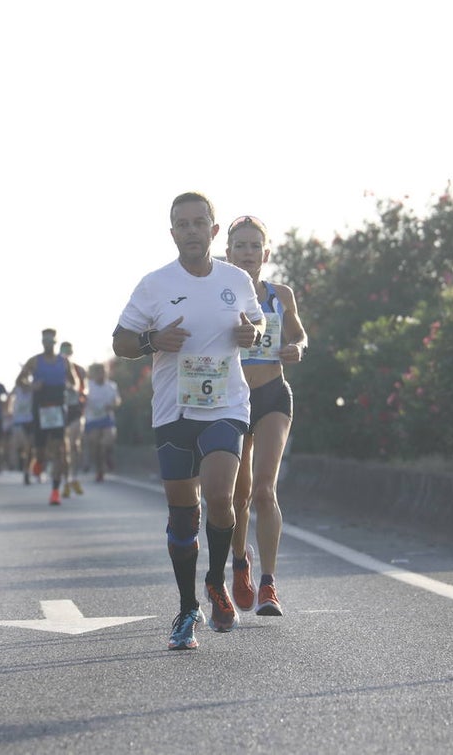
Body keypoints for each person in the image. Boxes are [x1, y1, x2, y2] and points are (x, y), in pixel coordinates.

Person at [112, 191, 263, 650]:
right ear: (173, 232)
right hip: (173, 411)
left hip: (226, 406)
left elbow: (256, 328)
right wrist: (152, 339)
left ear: (214, 232)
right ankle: (186, 608)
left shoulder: (237, 279)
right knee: (182, 518)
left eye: (201, 223)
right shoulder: (154, 284)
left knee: (220, 497)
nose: (192, 230)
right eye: (183, 223)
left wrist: (251, 334)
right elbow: (120, 342)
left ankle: (215, 583)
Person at [225, 215, 309, 617]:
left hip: (274, 393)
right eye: (240, 246)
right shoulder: (217, 294)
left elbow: (298, 334)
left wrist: (298, 348)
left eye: (254, 246)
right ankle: (240, 562)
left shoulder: (280, 294)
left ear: (266, 253)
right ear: (227, 253)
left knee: (263, 491)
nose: (247, 253)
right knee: (238, 496)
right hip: (232, 399)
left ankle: (269, 585)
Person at [17, 328, 80, 505]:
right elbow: (19, 381)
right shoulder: (34, 362)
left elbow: (74, 382)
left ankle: (55, 491)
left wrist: (70, 387)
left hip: (58, 408)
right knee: (41, 452)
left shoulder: (64, 362)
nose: (48, 344)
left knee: (60, 450)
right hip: (40, 409)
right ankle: (39, 462)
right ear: (42, 342)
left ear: (55, 342)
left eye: (51, 341)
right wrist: (31, 386)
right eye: (45, 341)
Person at [83, 362, 121, 482]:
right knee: (95, 446)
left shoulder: (111, 386)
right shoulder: (88, 386)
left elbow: (117, 400)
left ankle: (109, 455)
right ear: (94, 374)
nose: (102, 375)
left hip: (107, 419)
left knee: (107, 441)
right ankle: (100, 470)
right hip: (92, 419)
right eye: (99, 372)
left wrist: (114, 404)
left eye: (104, 372)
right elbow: (82, 397)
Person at [59, 341, 86, 497]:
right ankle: (65, 482)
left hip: (75, 410)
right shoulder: (55, 368)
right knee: (63, 449)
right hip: (59, 412)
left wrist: (76, 390)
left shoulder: (79, 369)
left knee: (75, 446)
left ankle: (74, 478)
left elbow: (85, 388)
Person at [7, 374, 37, 484]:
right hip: (19, 421)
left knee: (31, 449)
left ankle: (27, 471)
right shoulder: (16, 389)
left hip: (30, 421)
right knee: (24, 446)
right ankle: (23, 467)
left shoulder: (33, 388)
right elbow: (9, 397)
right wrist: (9, 410)